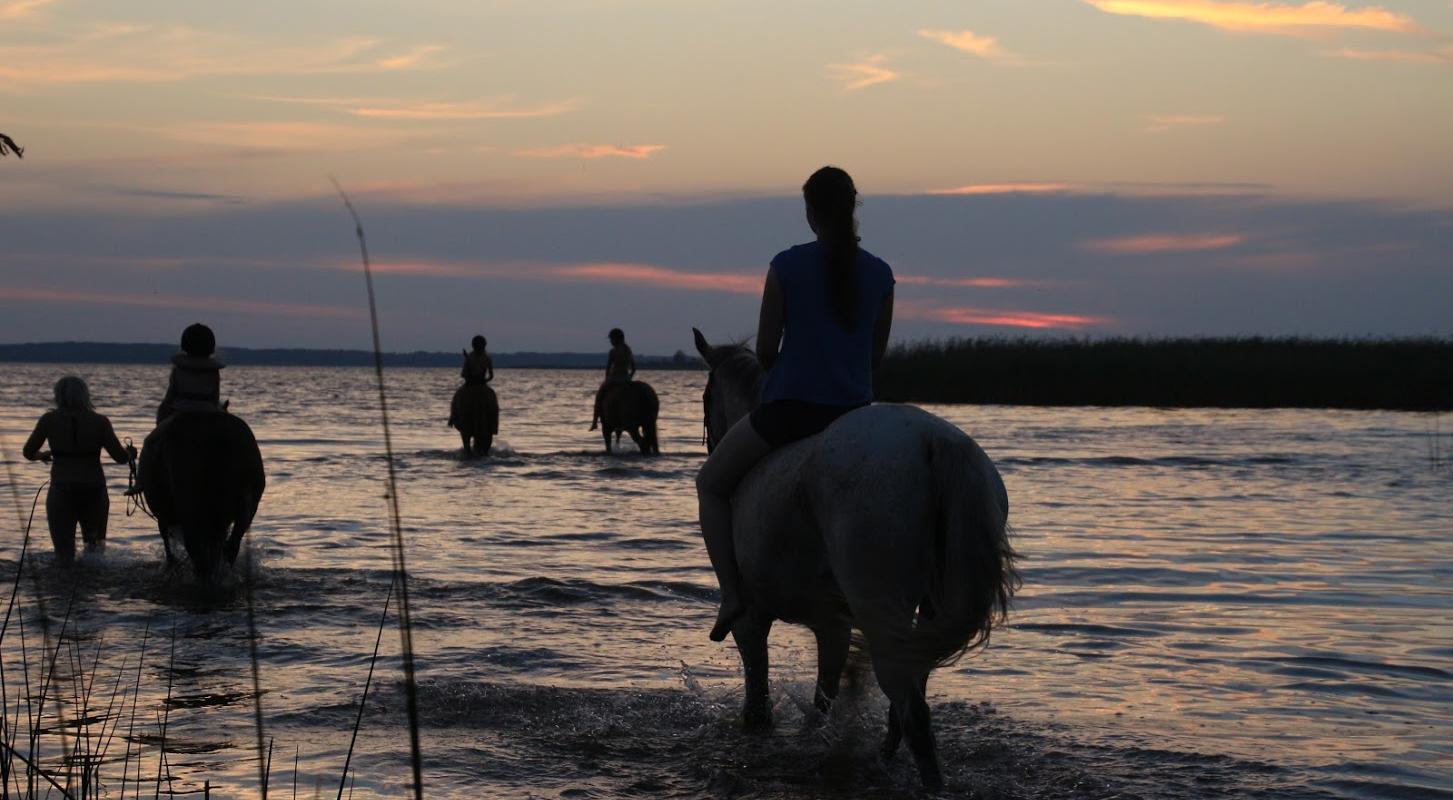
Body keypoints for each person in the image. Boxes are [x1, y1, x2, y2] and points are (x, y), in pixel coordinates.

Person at [695, 166, 895, 641]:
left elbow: (765, 352)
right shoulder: (881, 273)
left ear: (810, 213)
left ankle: (731, 595)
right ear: (851, 209)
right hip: (854, 419)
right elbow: (875, 357)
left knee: (710, 485)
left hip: (790, 412)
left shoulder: (786, 265)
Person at [23, 376, 135, 564]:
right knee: (94, 553)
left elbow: (28, 452)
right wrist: (131, 453)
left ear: (58, 396)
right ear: (85, 396)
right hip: (94, 491)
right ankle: (91, 590)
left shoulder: (49, 420)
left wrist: (41, 456)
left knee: (63, 556)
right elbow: (121, 458)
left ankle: (63, 591)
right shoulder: (100, 422)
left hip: (61, 490)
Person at [157, 323, 224, 423]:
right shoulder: (213, 371)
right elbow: (215, 399)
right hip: (208, 412)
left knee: (152, 437)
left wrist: (161, 417)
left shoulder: (178, 370)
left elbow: (169, 398)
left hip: (180, 413)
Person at [589, 328, 636, 430]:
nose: (611, 341)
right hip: (626, 379)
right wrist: (629, 378)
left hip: (614, 379)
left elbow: (608, 367)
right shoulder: (628, 350)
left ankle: (594, 422)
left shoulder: (613, 351)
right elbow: (634, 368)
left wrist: (606, 380)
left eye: (611, 339)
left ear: (616, 339)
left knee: (599, 396)